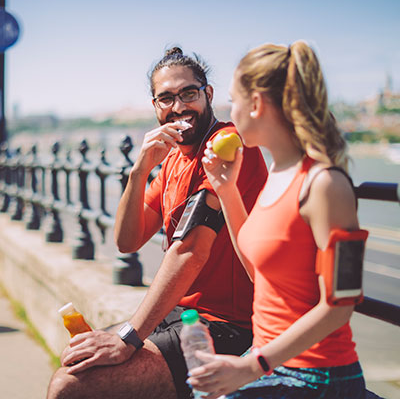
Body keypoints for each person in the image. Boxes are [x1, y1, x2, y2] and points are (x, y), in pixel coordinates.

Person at [46, 47, 268, 399]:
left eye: (189, 94)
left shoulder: (227, 150)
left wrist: (129, 337)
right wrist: (139, 171)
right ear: (155, 106)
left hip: (228, 326)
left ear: (208, 94)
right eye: (166, 98)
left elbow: (191, 251)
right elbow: (127, 241)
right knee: (73, 360)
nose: (179, 107)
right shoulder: (171, 161)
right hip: (180, 314)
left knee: (69, 387)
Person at [187, 40, 366, 398]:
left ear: (255, 104)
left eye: (233, 101)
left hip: (319, 375)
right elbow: (258, 273)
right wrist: (227, 191)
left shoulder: (325, 184)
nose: (229, 111)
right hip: (267, 359)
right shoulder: (277, 173)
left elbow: (341, 304)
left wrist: (253, 367)